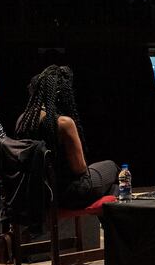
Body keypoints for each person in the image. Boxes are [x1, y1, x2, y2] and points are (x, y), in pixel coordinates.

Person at [15, 65, 119, 209]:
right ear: (59, 92)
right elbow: (80, 169)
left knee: (110, 184)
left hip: (39, 193)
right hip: (68, 194)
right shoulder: (64, 123)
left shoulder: (23, 120)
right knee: (113, 167)